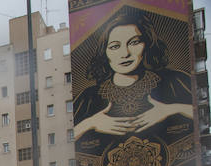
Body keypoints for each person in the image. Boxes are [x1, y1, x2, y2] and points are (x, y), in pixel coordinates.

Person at [73, 11, 192, 140]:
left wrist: (171, 109)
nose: (125, 53)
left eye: (134, 43)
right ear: (105, 52)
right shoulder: (88, 98)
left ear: (147, 44)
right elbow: (67, 139)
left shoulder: (174, 81)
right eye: (115, 46)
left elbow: (201, 113)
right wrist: (91, 123)